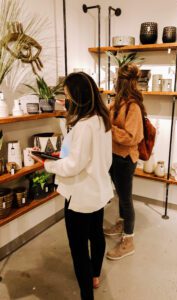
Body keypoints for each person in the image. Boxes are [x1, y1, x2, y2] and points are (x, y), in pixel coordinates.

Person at [32, 72, 113, 300]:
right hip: (98, 190)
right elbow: (99, 158)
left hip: (80, 196)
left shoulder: (85, 125)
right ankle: (94, 275)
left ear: (77, 97)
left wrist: (48, 163)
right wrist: (64, 156)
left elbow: (74, 165)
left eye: (66, 96)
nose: (63, 100)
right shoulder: (102, 119)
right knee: (96, 235)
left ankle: (86, 294)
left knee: (78, 249)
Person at [105, 63, 146, 260]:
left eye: (116, 78)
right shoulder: (119, 102)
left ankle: (128, 240)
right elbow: (106, 115)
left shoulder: (133, 106)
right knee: (121, 195)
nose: (114, 81)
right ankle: (122, 223)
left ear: (123, 82)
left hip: (125, 159)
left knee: (126, 199)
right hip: (114, 156)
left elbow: (131, 137)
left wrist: (108, 127)